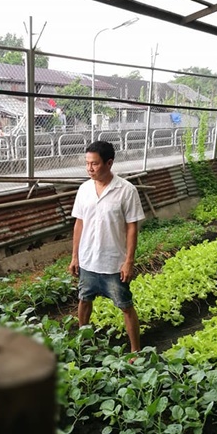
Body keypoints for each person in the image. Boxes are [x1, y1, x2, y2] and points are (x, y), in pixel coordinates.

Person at [68, 140, 145, 355]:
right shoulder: (84, 189)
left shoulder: (126, 190)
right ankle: (84, 343)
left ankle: (135, 351)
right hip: (88, 260)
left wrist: (128, 261)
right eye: (87, 163)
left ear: (109, 163)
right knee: (84, 300)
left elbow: (132, 228)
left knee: (125, 306)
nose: (89, 168)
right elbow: (79, 223)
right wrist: (75, 257)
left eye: (94, 164)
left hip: (113, 263)